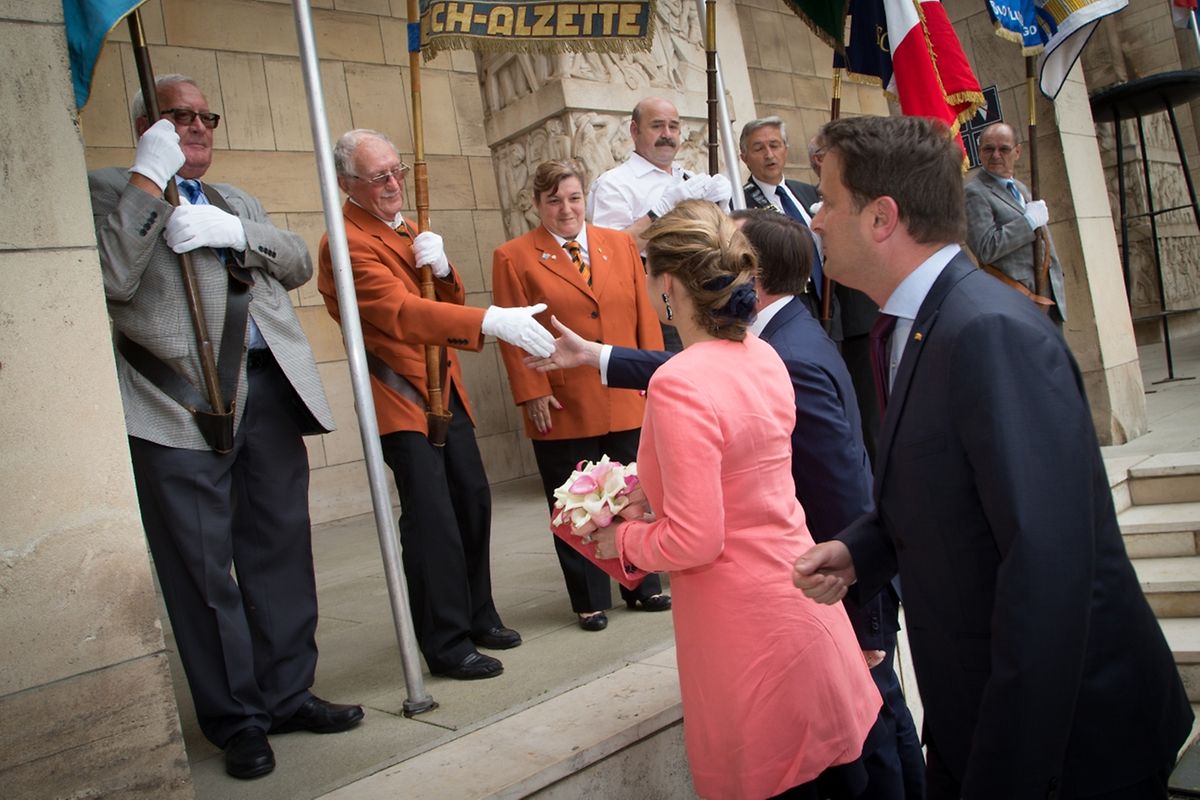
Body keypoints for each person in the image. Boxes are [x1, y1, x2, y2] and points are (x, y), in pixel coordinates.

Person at [794, 115, 1193, 800]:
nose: (817, 222)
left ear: (882, 218)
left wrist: (1005, 774)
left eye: (827, 201)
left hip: (1062, 750)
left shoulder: (988, 333)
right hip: (979, 717)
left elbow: (1049, 572)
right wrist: (865, 548)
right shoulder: (913, 325)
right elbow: (947, 487)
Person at [529, 210, 925, 799]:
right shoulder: (762, 355)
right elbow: (741, 469)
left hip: (745, 628)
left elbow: (695, 539)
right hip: (802, 603)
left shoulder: (681, 381)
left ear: (668, 285)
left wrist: (623, 540)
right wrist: (649, 491)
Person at [89, 74, 363, 780]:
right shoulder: (108, 191)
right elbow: (112, 278)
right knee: (203, 571)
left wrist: (236, 231)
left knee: (278, 550)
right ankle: (237, 719)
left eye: (204, 114)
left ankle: (287, 691)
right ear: (147, 127)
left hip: (266, 394)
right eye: (177, 116)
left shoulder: (235, 198)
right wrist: (150, 182)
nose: (196, 125)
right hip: (174, 404)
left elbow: (297, 261)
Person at [317, 129, 555, 682]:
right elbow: (400, 312)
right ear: (347, 183)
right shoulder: (344, 239)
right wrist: (489, 319)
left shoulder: (408, 227)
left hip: (444, 389)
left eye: (396, 170)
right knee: (432, 522)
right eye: (379, 177)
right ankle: (444, 640)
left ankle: (477, 613)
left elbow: (439, 302)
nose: (394, 183)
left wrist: (446, 271)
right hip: (400, 394)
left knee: (471, 503)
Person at [491, 160, 670, 632]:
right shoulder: (514, 256)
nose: (566, 208)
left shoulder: (619, 245)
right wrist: (531, 392)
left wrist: (654, 374)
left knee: (635, 491)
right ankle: (588, 598)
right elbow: (512, 331)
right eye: (554, 200)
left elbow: (645, 317)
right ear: (536, 205)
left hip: (625, 390)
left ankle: (641, 583)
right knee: (574, 501)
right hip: (562, 400)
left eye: (573, 197)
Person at [588, 96, 733, 350]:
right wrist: (659, 214)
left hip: (710, 298)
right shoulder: (615, 183)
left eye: (673, 126)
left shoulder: (689, 177)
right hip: (661, 306)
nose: (667, 134)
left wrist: (724, 210)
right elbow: (609, 254)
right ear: (635, 130)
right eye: (657, 126)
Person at [965, 121, 1068, 322]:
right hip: (1018, 299)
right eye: (988, 149)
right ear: (979, 152)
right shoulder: (974, 193)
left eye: (1003, 149)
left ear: (1017, 152)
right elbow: (986, 248)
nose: (996, 155)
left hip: (1047, 294)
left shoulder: (1020, 188)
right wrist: (1027, 223)